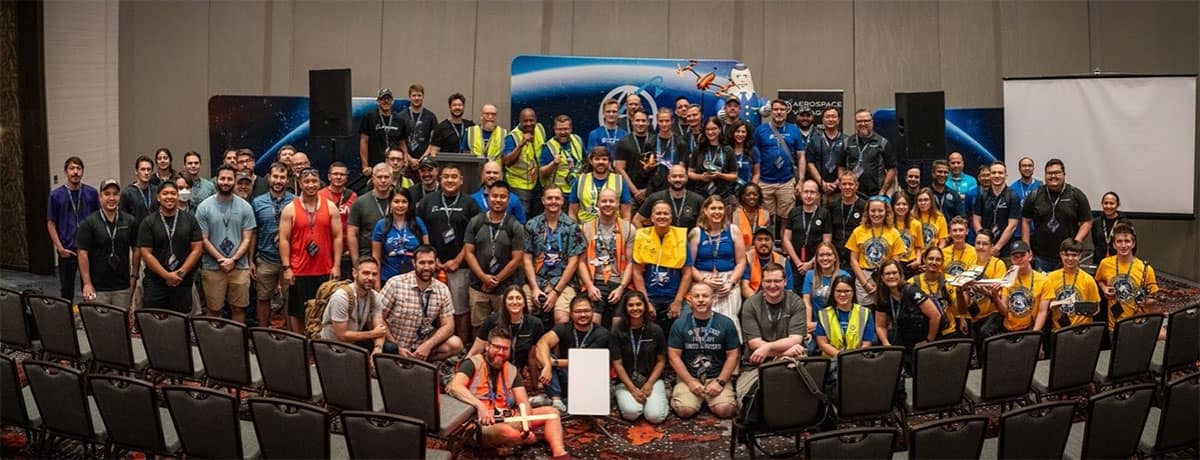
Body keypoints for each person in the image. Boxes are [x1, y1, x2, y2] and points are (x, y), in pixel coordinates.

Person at [447, 327, 572, 460]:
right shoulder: (472, 363)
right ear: (487, 346)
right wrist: (480, 406)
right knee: (508, 432)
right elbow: (455, 386)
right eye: (497, 347)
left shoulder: (512, 370)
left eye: (505, 349)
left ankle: (559, 452)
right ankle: (520, 441)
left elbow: (523, 402)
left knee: (552, 413)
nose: (500, 352)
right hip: (477, 423)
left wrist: (526, 427)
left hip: (503, 416)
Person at [416, 163, 482, 345]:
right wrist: (431, 259)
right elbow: (420, 231)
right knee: (431, 308)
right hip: (431, 266)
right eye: (446, 176)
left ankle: (459, 347)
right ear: (440, 179)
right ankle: (432, 343)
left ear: (461, 180)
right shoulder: (427, 202)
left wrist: (458, 259)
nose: (450, 180)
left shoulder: (470, 203)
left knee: (460, 309)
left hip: (460, 266)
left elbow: (474, 236)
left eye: (454, 177)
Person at [278, 168, 343, 333]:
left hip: (324, 269)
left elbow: (337, 237)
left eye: (314, 181)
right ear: (300, 184)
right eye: (306, 182)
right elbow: (284, 239)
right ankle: (301, 348)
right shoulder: (290, 209)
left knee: (323, 312)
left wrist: (336, 266)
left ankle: (319, 349)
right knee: (298, 312)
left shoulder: (330, 207)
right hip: (299, 270)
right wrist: (287, 268)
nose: (311, 185)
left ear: (319, 182)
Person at [667, 283, 740, 419]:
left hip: (717, 376)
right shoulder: (680, 324)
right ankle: (683, 392)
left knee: (725, 411)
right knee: (684, 411)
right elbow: (673, 357)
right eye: (696, 296)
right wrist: (690, 382)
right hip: (690, 377)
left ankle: (710, 398)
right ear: (690, 299)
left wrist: (720, 381)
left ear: (713, 299)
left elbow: (733, 356)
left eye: (705, 296)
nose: (701, 300)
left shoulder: (726, 323)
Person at [735, 262, 807, 401]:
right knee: (744, 401)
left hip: (789, 360)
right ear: (762, 283)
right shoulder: (751, 304)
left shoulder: (796, 302)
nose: (772, 285)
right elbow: (754, 343)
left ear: (785, 282)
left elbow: (796, 339)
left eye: (777, 281)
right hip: (756, 363)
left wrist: (768, 347)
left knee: (793, 396)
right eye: (768, 281)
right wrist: (785, 351)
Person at [379, 245, 463, 360]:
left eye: (430, 262)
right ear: (414, 263)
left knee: (456, 344)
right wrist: (396, 347)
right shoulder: (395, 283)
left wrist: (428, 346)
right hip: (395, 344)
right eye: (422, 263)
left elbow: (449, 326)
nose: (427, 267)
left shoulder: (442, 289)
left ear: (436, 263)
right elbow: (378, 318)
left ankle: (422, 363)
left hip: (422, 345)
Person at [195, 165, 256, 322]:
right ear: (217, 180)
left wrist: (233, 259)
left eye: (229, 179)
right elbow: (203, 239)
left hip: (239, 266)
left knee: (238, 308)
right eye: (223, 178)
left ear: (234, 181)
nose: (226, 182)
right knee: (213, 309)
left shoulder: (245, 207)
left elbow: (247, 238)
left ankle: (237, 345)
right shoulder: (204, 207)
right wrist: (221, 259)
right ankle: (212, 344)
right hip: (213, 267)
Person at [463, 181, 527, 329]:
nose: (498, 200)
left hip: (505, 288)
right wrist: (483, 278)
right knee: (478, 327)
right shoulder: (476, 221)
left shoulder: (515, 226)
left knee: (504, 326)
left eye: (502, 197)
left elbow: (517, 259)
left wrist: (495, 280)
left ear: (508, 199)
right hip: (478, 286)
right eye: (494, 196)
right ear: (488, 198)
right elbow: (468, 252)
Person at [535, 296, 611, 413]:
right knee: (544, 355)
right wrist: (547, 365)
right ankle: (556, 400)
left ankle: (553, 399)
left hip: (589, 381)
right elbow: (542, 342)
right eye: (578, 312)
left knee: (552, 361)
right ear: (571, 314)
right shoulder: (564, 328)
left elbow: (586, 362)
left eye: (586, 311)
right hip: (567, 378)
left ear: (592, 312)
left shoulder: (602, 333)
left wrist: (554, 363)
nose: (582, 315)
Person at [522, 187, 585, 325]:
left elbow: (573, 262)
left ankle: (557, 346)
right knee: (521, 311)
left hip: (563, 283)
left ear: (562, 201)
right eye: (549, 198)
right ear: (543, 200)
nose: (553, 201)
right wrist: (534, 288)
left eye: (557, 198)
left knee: (561, 317)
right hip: (535, 281)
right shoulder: (531, 225)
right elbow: (526, 259)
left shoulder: (572, 227)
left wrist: (556, 291)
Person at [137, 182, 202, 313]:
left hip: (182, 281)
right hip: (155, 282)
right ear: (158, 197)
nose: (169, 197)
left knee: (179, 324)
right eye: (165, 193)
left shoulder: (190, 220)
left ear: (178, 196)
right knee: (154, 323)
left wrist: (180, 273)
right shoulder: (148, 222)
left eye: (173, 193)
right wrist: (166, 275)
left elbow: (197, 249)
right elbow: (146, 254)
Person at [689, 196, 747, 335]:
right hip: (703, 281)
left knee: (730, 322)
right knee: (705, 323)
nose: (717, 212)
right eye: (713, 208)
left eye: (720, 208)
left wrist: (730, 283)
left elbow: (741, 262)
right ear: (705, 211)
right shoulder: (696, 232)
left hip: (728, 281)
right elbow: (689, 265)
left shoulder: (733, 230)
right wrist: (704, 281)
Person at [1021, 159, 1092, 272]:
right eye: (1049, 173)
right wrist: (1026, 248)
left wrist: (1075, 243)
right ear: (1045, 175)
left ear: (1064, 174)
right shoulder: (1035, 195)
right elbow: (1025, 221)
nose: (1053, 176)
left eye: (1057, 173)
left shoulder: (1076, 195)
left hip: (1068, 256)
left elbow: (1087, 221)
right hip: (1040, 257)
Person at [47, 156, 101, 301]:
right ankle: (67, 319)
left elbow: (99, 219)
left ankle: (89, 317)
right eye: (72, 168)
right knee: (66, 289)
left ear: (82, 172)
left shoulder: (92, 193)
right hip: (67, 250)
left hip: (88, 250)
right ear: (66, 172)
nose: (75, 172)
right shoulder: (55, 195)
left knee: (90, 287)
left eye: (78, 168)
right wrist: (59, 248)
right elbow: (51, 223)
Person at [578, 189, 634, 327]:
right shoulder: (585, 228)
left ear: (618, 204)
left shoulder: (629, 229)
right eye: (604, 201)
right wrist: (590, 286)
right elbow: (581, 262)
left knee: (618, 324)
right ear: (598, 203)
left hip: (619, 282)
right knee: (593, 322)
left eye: (611, 201)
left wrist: (621, 288)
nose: (607, 204)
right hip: (595, 281)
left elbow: (631, 263)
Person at [632, 200, 693, 327]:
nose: (662, 216)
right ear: (652, 218)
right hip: (649, 296)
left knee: (686, 323)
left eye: (665, 214)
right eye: (658, 213)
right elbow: (637, 273)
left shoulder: (681, 238)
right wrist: (646, 301)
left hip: (674, 296)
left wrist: (677, 301)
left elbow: (687, 273)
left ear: (671, 218)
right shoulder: (642, 236)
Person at [610, 291, 668, 424]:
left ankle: (657, 400)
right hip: (626, 382)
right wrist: (632, 389)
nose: (635, 308)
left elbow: (661, 361)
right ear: (625, 308)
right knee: (631, 413)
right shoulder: (617, 331)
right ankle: (637, 402)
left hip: (652, 379)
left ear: (645, 306)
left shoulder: (656, 330)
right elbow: (617, 364)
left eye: (638, 304)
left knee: (655, 417)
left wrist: (649, 384)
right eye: (631, 305)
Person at [76, 178, 136, 307]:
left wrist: (134, 276)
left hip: (122, 286)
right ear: (100, 197)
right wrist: (87, 283)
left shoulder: (129, 221)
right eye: (107, 194)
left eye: (115, 194)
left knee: (121, 324)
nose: (111, 198)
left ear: (119, 197)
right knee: (98, 325)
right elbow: (82, 253)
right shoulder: (89, 223)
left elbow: (137, 249)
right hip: (97, 286)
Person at [872, 259, 942, 367]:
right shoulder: (883, 296)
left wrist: (929, 341)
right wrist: (886, 344)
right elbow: (880, 325)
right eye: (887, 274)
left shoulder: (911, 291)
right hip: (902, 341)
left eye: (894, 273)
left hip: (922, 341)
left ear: (900, 274)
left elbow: (935, 316)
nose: (891, 276)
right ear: (882, 277)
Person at [1095, 223, 1159, 336]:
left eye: (1127, 241)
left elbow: (1154, 298)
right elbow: (1099, 279)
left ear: (1133, 243)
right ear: (1114, 245)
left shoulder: (1145, 268)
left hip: (1137, 324)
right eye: (1119, 241)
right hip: (1114, 326)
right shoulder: (1105, 264)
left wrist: (1146, 302)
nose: (1123, 245)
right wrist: (1104, 288)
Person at [250, 162, 294, 328]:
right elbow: (253, 232)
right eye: (275, 177)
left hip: (289, 262)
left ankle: (290, 334)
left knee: (289, 300)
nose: (278, 181)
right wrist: (251, 260)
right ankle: (263, 333)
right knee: (263, 298)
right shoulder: (257, 202)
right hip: (265, 258)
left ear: (287, 180)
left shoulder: (295, 202)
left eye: (282, 177)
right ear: (269, 178)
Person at [754, 100, 805, 234]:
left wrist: (801, 181)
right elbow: (754, 155)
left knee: (786, 219)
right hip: (765, 181)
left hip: (786, 181)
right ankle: (768, 248)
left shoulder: (794, 130)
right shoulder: (761, 130)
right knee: (765, 220)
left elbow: (801, 156)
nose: (779, 112)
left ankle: (784, 248)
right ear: (771, 111)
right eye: (776, 109)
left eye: (782, 109)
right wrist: (755, 179)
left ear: (786, 112)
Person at [467, 286, 546, 374]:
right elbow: (475, 351)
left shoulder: (535, 324)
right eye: (510, 298)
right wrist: (462, 371)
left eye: (518, 298)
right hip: (493, 369)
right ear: (504, 302)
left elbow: (534, 356)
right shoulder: (492, 321)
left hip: (519, 372)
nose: (515, 302)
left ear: (524, 303)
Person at [845, 196, 903, 309]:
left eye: (880, 210)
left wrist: (883, 282)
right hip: (864, 276)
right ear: (867, 212)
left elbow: (896, 261)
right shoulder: (858, 231)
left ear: (886, 212)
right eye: (873, 210)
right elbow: (853, 260)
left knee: (885, 312)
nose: (876, 214)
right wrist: (865, 283)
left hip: (886, 276)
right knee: (865, 314)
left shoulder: (894, 232)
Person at [319, 258, 388, 351]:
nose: (371, 278)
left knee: (389, 349)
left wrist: (378, 348)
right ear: (355, 273)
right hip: (332, 347)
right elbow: (342, 335)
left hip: (353, 345)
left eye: (374, 274)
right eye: (366, 273)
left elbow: (380, 330)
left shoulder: (375, 297)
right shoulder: (341, 297)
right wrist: (373, 333)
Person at [1039, 239, 1102, 338]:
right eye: (1066, 255)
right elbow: (1043, 308)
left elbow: (1097, 308)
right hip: (1058, 331)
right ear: (1061, 254)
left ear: (1080, 256)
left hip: (1082, 331)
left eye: (1074, 255)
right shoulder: (1050, 278)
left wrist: (1086, 309)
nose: (1070, 258)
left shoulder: (1088, 280)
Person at [959, 230, 1008, 347]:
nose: (980, 247)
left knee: (984, 334)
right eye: (978, 243)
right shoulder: (969, 263)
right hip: (974, 313)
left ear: (991, 247)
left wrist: (982, 289)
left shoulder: (998, 264)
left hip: (992, 312)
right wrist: (962, 317)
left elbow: (999, 297)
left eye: (984, 244)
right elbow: (964, 294)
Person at [801, 242, 852, 354]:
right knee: (806, 348)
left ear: (835, 257)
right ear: (816, 258)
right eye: (821, 255)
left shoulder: (844, 276)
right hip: (814, 326)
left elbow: (846, 306)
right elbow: (807, 302)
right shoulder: (810, 275)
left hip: (838, 325)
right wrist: (807, 326)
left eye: (829, 254)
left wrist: (821, 325)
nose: (825, 258)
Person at [371, 192, 429, 284]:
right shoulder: (381, 224)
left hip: (415, 278)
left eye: (404, 201)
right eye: (396, 201)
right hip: (388, 277)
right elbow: (376, 256)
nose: (400, 205)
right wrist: (376, 283)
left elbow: (427, 252)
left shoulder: (417, 222)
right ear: (390, 203)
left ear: (409, 204)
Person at [814, 275, 876, 359]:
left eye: (847, 291)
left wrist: (852, 359)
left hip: (858, 360)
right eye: (838, 291)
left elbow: (866, 344)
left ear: (853, 292)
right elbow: (823, 344)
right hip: (832, 361)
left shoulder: (865, 313)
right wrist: (843, 358)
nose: (842, 294)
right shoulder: (823, 314)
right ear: (833, 293)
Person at [784, 179, 833, 280]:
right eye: (806, 192)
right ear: (801, 193)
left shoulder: (824, 213)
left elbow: (826, 242)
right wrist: (798, 262)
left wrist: (810, 263)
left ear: (818, 195)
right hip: (795, 263)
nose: (809, 195)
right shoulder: (794, 212)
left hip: (817, 263)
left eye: (812, 192)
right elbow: (786, 239)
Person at [909, 246, 962, 338]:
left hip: (947, 331)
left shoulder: (950, 281)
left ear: (942, 262)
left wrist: (962, 319)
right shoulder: (912, 283)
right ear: (924, 260)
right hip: (923, 332)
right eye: (930, 259)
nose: (934, 262)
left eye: (938, 260)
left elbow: (958, 307)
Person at [568, 146, 631, 224]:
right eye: (597, 159)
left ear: (609, 162)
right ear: (591, 161)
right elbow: (572, 213)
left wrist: (623, 231)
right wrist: (574, 231)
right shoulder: (581, 180)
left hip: (613, 228)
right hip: (584, 228)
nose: (601, 162)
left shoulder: (619, 181)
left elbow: (626, 215)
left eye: (604, 159)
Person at [348, 163, 395, 268]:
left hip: (394, 257)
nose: (383, 180)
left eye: (386, 177)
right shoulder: (360, 202)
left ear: (391, 179)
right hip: (367, 258)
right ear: (373, 179)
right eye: (379, 177)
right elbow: (352, 234)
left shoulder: (399, 200)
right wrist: (356, 262)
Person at [840, 109, 895, 197]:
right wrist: (844, 187)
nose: (863, 124)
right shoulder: (847, 142)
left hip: (875, 194)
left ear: (872, 122)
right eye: (859, 121)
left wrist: (883, 191)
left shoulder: (883, 143)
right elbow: (841, 166)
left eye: (866, 121)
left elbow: (892, 169)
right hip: (852, 195)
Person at [502, 107, 546, 214]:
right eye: (525, 121)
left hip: (538, 184)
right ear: (520, 121)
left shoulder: (540, 129)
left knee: (537, 217)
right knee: (522, 217)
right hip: (519, 186)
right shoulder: (512, 137)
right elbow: (506, 161)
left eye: (531, 120)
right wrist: (521, 144)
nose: (529, 124)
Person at [635, 164, 704, 229]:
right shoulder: (655, 198)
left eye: (681, 176)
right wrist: (647, 239)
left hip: (688, 240)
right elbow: (636, 220)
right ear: (668, 178)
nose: (677, 179)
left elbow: (703, 224)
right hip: (663, 240)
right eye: (674, 176)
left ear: (686, 178)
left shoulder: (698, 200)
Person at [999, 240, 1046, 334]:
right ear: (1011, 259)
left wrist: (1034, 334)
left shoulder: (1043, 280)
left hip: (1030, 328)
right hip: (1008, 329)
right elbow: (1004, 310)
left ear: (1030, 255)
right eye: (1015, 257)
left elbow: (1043, 311)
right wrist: (995, 296)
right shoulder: (1008, 278)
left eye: (1022, 255)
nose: (1019, 259)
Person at [359, 88, 409, 177]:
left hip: (395, 164)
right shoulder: (369, 118)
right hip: (375, 164)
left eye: (388, 99)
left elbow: (403, 143)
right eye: (383, 99)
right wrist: (365, 166)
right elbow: (364, 141)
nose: (386, 101)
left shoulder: (400, 120)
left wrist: (405, 160)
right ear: (378, 101)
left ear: (392, 101)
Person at [319, 162, 357, 278]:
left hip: (346, 251)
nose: (338, 177)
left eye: (342, 174)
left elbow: (355, 224)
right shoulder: (320, 195)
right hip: (325, 251)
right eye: (335, 174)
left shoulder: (352, 196)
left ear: (346, 177)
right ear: (329, 176)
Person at [974, 162, 1019, 257]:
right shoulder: (982, 195)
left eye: (1000, 173)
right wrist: (985, 242)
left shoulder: (1013, 196)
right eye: (993, 173)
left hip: (1005, 248)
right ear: (989, 175)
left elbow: (1012, 226)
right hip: (984, 248)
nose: (997, 176)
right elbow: (976, 221)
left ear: (1005, 176)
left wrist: (997, 247)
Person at [688, 117, 737, 199]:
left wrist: (719, 175)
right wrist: (701, 177)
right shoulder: (699, 149)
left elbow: (734, 176)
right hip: (701, 194)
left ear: (720, 129)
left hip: (722, 195)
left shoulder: (728, 149)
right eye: (707, 129)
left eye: (714, 129)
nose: (710, 132)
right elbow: (690, 173)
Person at [613, 110, 656, 204]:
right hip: (630, 194)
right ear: (632, 121)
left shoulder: (656, 141)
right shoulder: (623, 142)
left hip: (652, 192)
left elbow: (660, 170)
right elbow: (619, 169)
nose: (640, 124)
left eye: (643, 121)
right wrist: (635, 191)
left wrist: (647, 190)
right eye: (637, 120)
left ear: (648, 122)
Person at [539, 115, 585, 194]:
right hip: (558, 194)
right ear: (554, 130)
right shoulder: (548, 147)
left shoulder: (577, 140)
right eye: (559, 129)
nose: (563, 132)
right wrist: (553, 163)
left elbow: (586, 161)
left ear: (571, 129)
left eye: (566, 129)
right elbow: (542, 174)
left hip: (577, 191)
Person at [827, 172, 866, 264]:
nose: (847, 187)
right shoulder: (832, 204)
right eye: (844, 184)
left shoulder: (864, 206)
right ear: (839, 186)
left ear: (857, 186)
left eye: (850, 184)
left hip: (857, 254)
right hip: (835, 255)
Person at [806, 107, 846, 198]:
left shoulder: (846, 140)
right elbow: (810, 164)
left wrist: (836, 183)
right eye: (827, 117)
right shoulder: (814, 139)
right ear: (823, 120)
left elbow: (845, 164)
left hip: (840, 189)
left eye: (833, 116)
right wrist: (822, 183)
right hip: (818, 189)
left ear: (839, 119)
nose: (830, 119)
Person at [401, 84, 438, 170]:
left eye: (419, 95)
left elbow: (433, 142)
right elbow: (399, 141)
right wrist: (410, 159)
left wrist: (422, 158)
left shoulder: (431, 117)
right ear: (410, 97)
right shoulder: (401, 117)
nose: (416, 98)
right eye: (414, 95)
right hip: (405, 162)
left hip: (425, 163)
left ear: (423, 96)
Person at [891, 191, 924, 277]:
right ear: (892, 206)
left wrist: (918, 261)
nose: (901, 207)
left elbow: (918, 246)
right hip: (892, 264)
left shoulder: (916, 224)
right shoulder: (888, 224)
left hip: (910, 264)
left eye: (904, 204)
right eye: (898, 204)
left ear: (909, 206)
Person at [121, 155, 158, 229]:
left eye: (149, 169)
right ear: (136, 171)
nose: (146, 172)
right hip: (136, 235)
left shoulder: (157, 191)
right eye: (143, 169)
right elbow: (123, 219)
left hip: (155, 234)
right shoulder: (127, 193)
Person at [1091, 191, 1131, 260]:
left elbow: (1131, 245)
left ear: (1117, 205)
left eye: (1112, 203)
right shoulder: (1096, 222)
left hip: (1119, 261)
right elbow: (1096, 242)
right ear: (1102, 204)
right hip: (1099, 261)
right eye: (1106, 203)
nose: (1108, 206)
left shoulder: (1125, 223)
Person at [1010, 156, 1041, 243]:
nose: (1027, 168)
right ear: (1019, 169)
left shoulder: (1041, 187)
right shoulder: (1012, 188)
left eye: (1029, 166)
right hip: (1018, 233)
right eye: (1024, 166)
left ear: (1033, 168)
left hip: (1037, 232)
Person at [733, 183, 770, 248]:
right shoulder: (735, 214)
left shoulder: (765, 214)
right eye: (748, 195)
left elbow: (768, 237)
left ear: (759, 196)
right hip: (740, 250)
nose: (752, 197)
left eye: (755, 194)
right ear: (743, 197)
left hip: (760, 251)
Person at [727, 120, 759, 189]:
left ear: (747, 134)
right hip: (728, 192)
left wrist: (752, 189)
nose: (740, 134)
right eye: (737, 131)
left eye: (743, 132)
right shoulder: (726, 149)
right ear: (733, 132)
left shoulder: (753, 150)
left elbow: (756, 173)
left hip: (746, 192)